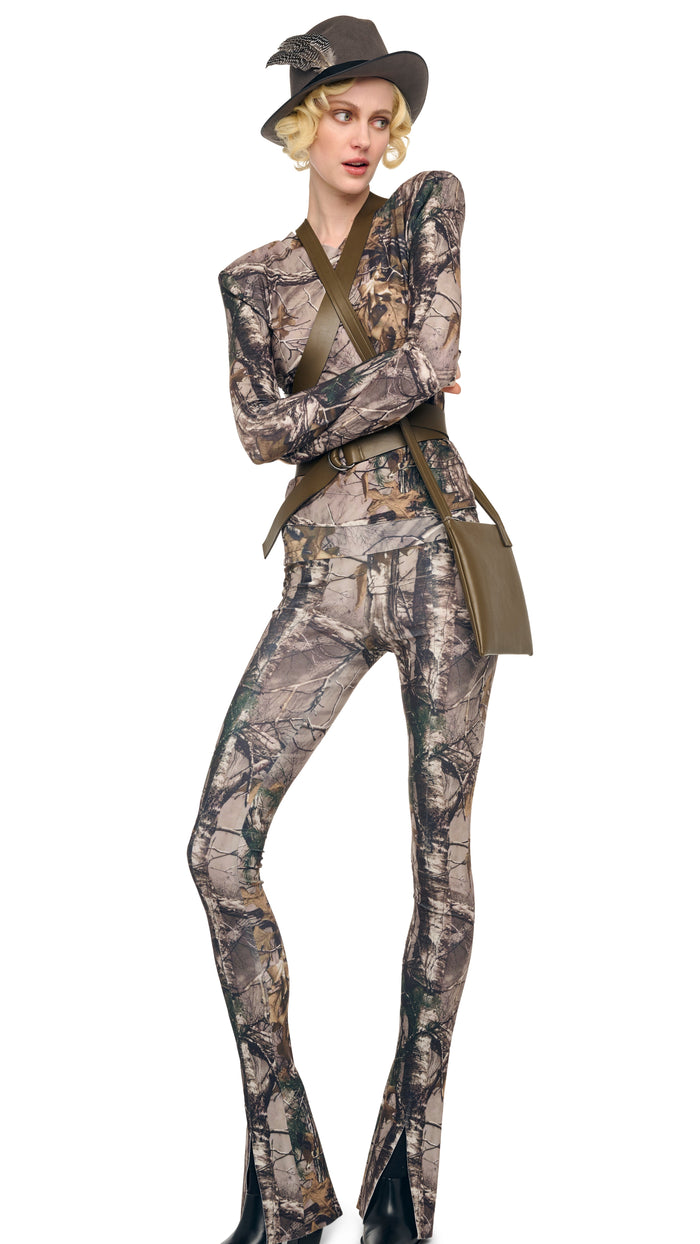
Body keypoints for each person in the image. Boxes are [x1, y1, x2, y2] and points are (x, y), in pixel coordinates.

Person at [187, 16, 499, 1244]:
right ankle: (286, 1180)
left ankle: (403, 1188)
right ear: (300, 126)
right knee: (217, 849)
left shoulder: (429, 207)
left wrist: (334, 400)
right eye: (343, 116)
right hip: (321, 575)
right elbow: (256, 436)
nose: (364, 139)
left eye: (381, 119)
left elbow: (434, 353)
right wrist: (392, 383)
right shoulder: (248, 280)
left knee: (441, 867)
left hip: (438, 556)